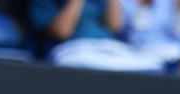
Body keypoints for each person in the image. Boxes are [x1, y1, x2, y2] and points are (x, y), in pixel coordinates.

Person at [29, 0, 161, 71]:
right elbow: (61, 32)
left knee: (150, 68)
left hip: (109, 48)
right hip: (72, 50)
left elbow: (115, 26)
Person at [116, 0, 180, 77]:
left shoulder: (168, 2)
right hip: (135, 54)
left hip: (171, 54)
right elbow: (118, 31)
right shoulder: (120, 3)